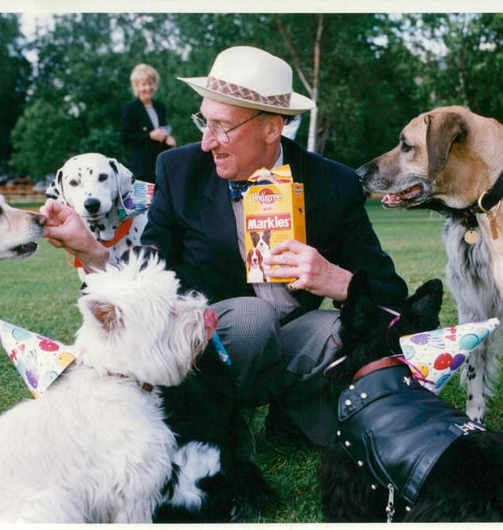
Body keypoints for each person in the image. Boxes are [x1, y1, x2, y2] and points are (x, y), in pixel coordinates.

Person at [42, 46, 407, 450]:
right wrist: (92, 251)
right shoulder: (179, 170)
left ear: (272, 128)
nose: (205, 142)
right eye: (203, 122)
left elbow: (392, 296)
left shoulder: (333, 184)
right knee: (253, 319)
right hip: (215, 341)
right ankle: (216, 425)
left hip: (293, 341)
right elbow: (147, 268)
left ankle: (293, 418)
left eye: (221, 126)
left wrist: (336, 280)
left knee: (337, 332)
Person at [120, 63, 176, 183]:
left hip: (161, 162)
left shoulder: (160, 107)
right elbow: (124, 137)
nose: (148, 88)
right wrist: (149, 135)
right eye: (143, 84)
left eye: (150, 83)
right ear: (137, 87)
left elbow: (163, 129)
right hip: (142, 167)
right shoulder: (131, 108)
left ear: (155, 84)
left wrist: (168, 139)